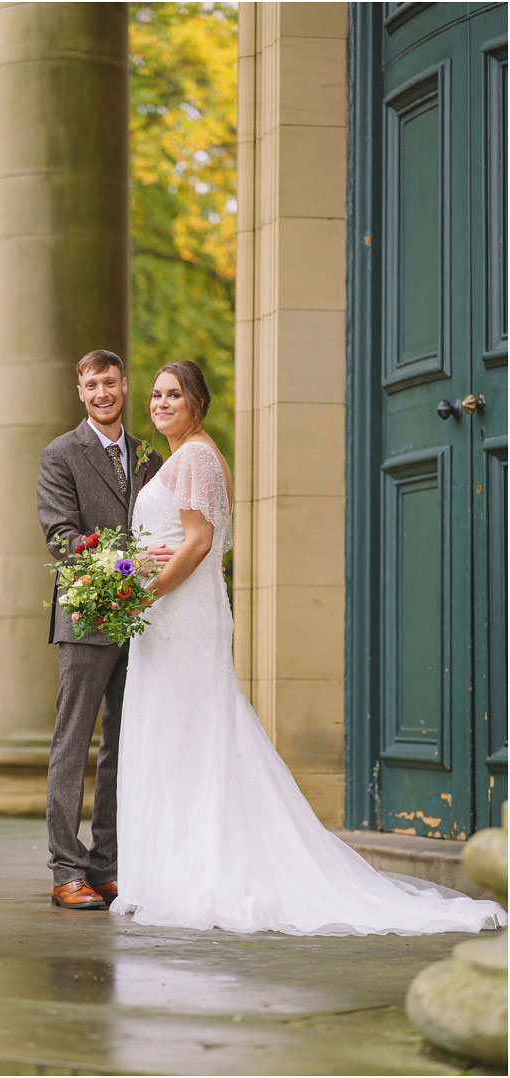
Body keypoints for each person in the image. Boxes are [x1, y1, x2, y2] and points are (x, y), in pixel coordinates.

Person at [114, 360, 507, 935]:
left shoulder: (196, 455)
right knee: (183, 730)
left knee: (191, 731)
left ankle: (196, 870)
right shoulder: (184, 457)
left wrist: (142, 594)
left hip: (178, 614)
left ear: (197, 401)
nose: (161, 403)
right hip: (172, 612)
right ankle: (175, 864)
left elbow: (199, 543)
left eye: (174, 394)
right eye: (155, 394)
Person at [36, 349, 163, 910]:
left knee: (122, 744)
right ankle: (66, 869)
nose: (101, 393)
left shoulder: (148, 457)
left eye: (109, 383)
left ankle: (106, 865)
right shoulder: (60, 454)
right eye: (91, 385)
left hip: (141, 621)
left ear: (124, 386)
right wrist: (120, 566)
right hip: (87, 616)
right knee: (72, 744)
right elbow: (61, 537)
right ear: (80, 393)